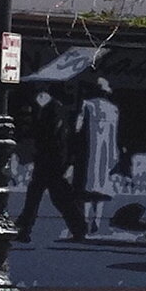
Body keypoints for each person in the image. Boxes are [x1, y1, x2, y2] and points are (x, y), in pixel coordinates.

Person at [15, 88, 88, 243]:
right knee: (55, 196)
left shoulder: (52, 111)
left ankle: (25, 227)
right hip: (51, 159)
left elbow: (54, 138)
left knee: (41, 195)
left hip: (50, 160)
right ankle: (78, 227)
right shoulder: (54, 109)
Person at [73, 76, 121, 236]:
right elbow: (114, 134)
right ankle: (97, 221)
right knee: (100, 190)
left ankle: (84, 222)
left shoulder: (87, 106)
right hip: (106, 153)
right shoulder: (113, 109)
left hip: (88, 153)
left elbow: (77, 128)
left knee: (86, 189)